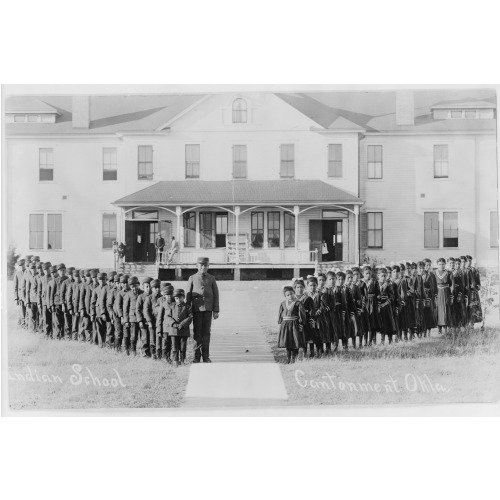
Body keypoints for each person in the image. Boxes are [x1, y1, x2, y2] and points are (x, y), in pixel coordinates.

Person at [185, 257, 220, 363]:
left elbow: (216, 295)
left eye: (205, 265)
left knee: (206, 333)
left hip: (208, 309)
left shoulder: (211, 278)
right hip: (197, 309)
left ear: (208, 266)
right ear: (197, 266)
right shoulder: (192, 278)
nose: (203, 267)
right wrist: (188, 310)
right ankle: (196, 356)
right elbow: (188, 295)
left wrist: (216, 310)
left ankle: (206, 356)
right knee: (197, 333)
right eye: (201, 265)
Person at [277, 285, 306, 363]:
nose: (290, 296)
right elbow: (280, 314)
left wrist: (301, 324)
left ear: (294, 293)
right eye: (288, 295)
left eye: (292, 294)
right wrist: (280, 323)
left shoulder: (298, 303)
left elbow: (302, 315)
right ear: (285, 296)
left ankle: (294, 358)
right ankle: (288, 358)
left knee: (295, 341)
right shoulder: (283, 303)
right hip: (286, 325)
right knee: (288, 341)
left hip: (294, 325)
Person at [166, 289, 193, 366]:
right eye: (176, 298)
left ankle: (182, 360)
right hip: (174, 330)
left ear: (183, 297)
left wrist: (182, 324)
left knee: (183, 346)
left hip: (184, 330)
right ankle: (175, 360)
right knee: (174, 346)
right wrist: (174, 324)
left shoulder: (187, 307)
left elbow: (190, 317)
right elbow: (168, 316)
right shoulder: (171, 306)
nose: (178, 300)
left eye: (180, 298)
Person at [293, 278, 317, 358]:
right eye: (297, 287)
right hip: (296, 321)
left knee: (308, 337)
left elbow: (312, 310)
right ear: (294, 288)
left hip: (306, 320)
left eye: (301, 287)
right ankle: (295, 354)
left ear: (304, 288)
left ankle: (309, 353)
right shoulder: (293, 299)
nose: (299, 289)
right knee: (296, 336)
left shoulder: (308, 298)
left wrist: (311, 318)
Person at [123, 276, 143, 356]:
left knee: (143, 336)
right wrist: (126, 320)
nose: (134, 288)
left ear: (139, 284)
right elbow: (125, 308)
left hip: (141, 318)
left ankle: (142, 351)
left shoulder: (142, 293)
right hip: (133, 319)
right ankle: (133, 351)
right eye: (132, 286)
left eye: (136, 285)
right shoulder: (128, 294)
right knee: (133, 336)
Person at [435, 257, 454, 335]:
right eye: (440, 264)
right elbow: (433, 285)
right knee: (438, 310)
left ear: (445, 264)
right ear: (437, 265)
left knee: (446, 309)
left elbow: (452, 285)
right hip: (438, 292)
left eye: (443, 264)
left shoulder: (449, 273)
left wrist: (451, 296)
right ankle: (439, 328)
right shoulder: (434, 273)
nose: (441, 266)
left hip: (446, 292)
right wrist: (434, 296)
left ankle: (446, 327)